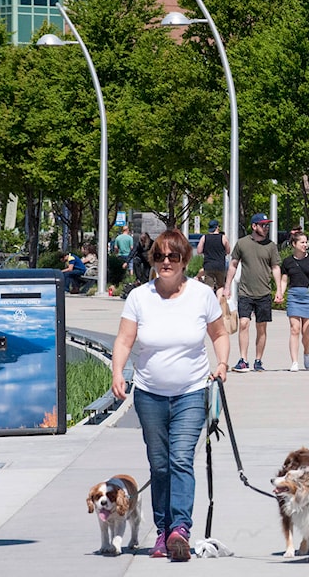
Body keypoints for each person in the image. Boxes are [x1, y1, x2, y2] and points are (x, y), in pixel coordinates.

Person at [110, 229, 230, 561]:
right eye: (160, 256)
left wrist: (221, 363)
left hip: (191, 391)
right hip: (149, 393)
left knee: (180, 459)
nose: (166, 262)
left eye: (173, 257)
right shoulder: (139, 297)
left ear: (184, 261)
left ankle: (180, 529)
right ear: (153, 260)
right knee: (159, 464)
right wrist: (117, 372)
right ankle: (162, 532)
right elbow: (123, 340)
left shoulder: (202, 295)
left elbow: (219, 333)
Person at [223, 213, 282, 372]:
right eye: (263, 225)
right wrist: (227, 286)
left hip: (264, 292)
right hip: (245, 292)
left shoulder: (271, 246)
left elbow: (276, 267)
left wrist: (279, 289)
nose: (266, 228)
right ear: (254, 226)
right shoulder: (242, 244)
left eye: (267, 225)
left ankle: (258, 360)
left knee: (261, 327)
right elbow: (233, 265)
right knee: (243, 323)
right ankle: (243, 359)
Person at [277, 231, 309, 372]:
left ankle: (306, 352)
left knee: (306, 331)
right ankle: (294, 362)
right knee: (294, 329)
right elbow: (284, 280)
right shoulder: (287, 262)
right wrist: (280, 293)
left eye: (305, 242)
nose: (305, 245)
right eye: (301, 242)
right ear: (294, 244)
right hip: (294, 295)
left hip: (308, 295)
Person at [196, 220, 231, 292]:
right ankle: (218, 302)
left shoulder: (204, 238)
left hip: (208, 265)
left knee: (209, 286)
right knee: (220, 286)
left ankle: (210, 302)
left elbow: (199, 251)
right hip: (220, 265)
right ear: (217, 227)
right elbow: (228, 251)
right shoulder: (223, 238)